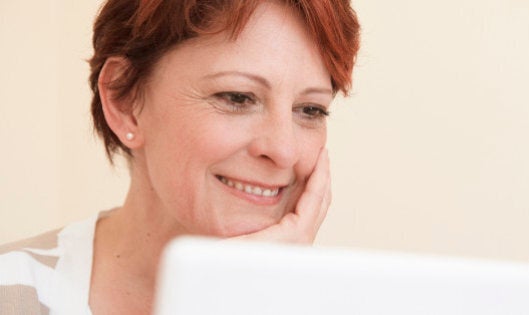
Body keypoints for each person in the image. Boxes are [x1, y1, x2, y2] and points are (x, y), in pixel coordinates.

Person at [0, 0, 360, 314]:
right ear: (125, 102)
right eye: (237, 97)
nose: (284, 151)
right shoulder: (12, 293)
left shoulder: (358, 303)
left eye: (311, 110)